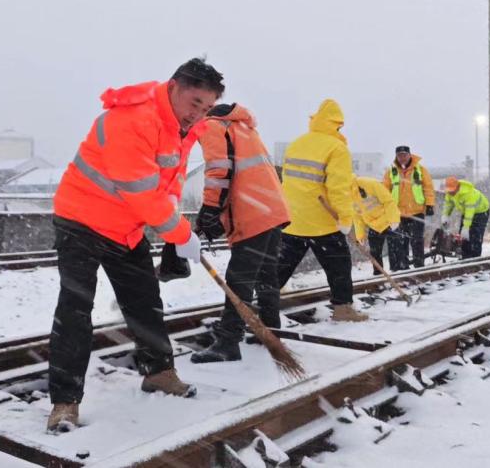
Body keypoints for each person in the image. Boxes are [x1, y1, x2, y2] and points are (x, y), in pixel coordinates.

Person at [45, 58, 224, 432]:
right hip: (81, 220)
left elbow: (168, 184)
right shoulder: (133, 119)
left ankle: (158, 372)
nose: (199, 114)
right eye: (195, 103)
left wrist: (175, 221)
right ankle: (65, 402)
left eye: (206, 108)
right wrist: (180, 235)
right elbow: (142, 194)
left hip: (124, 228)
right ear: (174, 87)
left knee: (144, 300)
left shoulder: (181, 128)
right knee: (76, 307)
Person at [190, 103, 291, 363]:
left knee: (239, 278)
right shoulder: (242, 126)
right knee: (266, 273)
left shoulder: (211, 125)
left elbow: (218, 171)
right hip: (271, 208)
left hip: (251, 210)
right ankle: (270, 329)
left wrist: (210, 209)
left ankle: (228, 342)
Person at [274, 99, 369, 322]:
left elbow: (288, 180)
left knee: (281, 263)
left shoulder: (297, 143)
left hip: (293, 218)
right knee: (339, 265)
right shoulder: (337, 148)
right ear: (337, 124)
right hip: (322, 220)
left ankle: (265, 299)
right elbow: (339, 188)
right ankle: (343, 308)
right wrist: (345, 218)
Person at [382, 146, 436, 269]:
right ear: (396, 156)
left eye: (404, 155)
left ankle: (419, 266)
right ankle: (403, 267)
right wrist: (385, 208)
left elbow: (428, 188)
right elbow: (384, 191)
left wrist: (430, 204)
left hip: (417, 211)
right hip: (398, 213)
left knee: (417, 240)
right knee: (400, 242)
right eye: (399, 155)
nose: (402, 158)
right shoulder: (391, 171)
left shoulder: (420, 170)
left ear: (410, 155)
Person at [350, 175, 401, 275]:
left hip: (389, 222)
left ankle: (399, 274)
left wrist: (394, 220)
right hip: (374, 226)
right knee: (375, 253)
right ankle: (379, 275)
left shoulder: (368, 183)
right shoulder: (347, 195)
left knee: (396, 251)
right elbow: (357, 217)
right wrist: (360, 235)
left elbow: (388, 200)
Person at [441, 176, 490, 259]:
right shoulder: (449, 193)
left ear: (457, 187)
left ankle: (475, 257)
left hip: (481, 212)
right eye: (449, 190)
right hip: (467, 212)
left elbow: (469, 212)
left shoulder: (468, 194)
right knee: (462, 236)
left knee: (475, 235)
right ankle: (465, 256)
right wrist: (445, 215)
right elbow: (448, 205)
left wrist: (466, 227)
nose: (450, 192)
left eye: (452, 190)